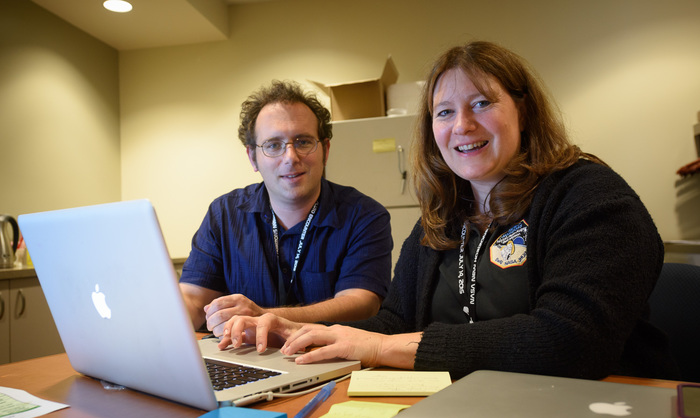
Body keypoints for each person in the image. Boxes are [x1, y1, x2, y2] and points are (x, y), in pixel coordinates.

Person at [216, 41, 678, 381]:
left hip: (591, 408)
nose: (463, 125)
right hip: (462, 404)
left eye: (481, 103)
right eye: (444, 112)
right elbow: (394, 323)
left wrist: (380, 346)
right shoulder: (442, 217)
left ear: (523, 111)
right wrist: (299, 330)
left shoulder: (589, 196)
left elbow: (572, 342)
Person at [180, 80, 393, 336]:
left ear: (325, 150)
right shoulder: (223, 215)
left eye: (303, 142)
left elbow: (361, 305)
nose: (291, 157)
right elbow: (193, 300)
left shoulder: (365, 216)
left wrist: (265, 317)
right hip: (242, 355)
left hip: (327, 354)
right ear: (252, 157)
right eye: (273, 145)